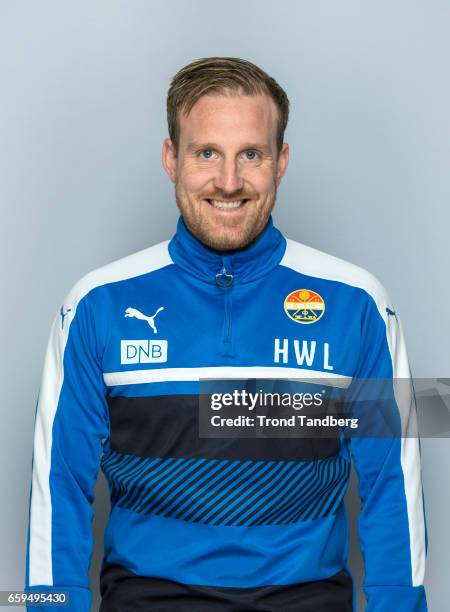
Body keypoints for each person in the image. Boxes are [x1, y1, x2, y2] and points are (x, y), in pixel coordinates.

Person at [24, 57, 428, 611]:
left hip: (308, 600)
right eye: (207, 152)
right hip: (148, 600)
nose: (229, 181)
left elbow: (392, 483)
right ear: (172, 159)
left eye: (252, 155)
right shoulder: (95, 304)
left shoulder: (359, 302)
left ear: (281, 162)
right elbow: (59, 484)